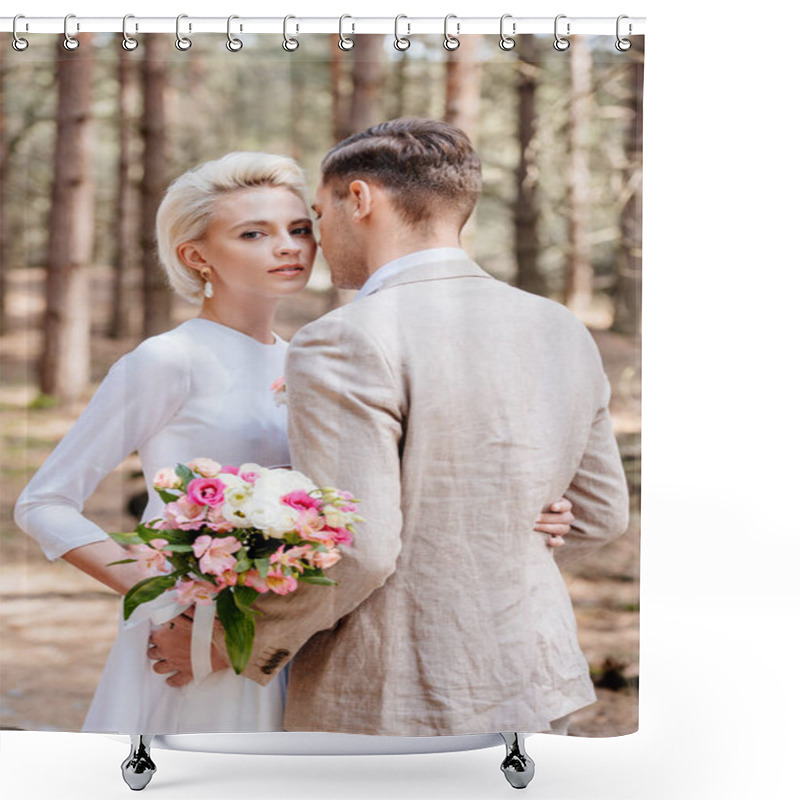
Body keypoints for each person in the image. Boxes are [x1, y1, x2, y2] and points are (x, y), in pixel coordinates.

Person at [14, 149, 572, 735]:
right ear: (196, 255)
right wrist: (167, 590)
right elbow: (43, 503)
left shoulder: (311, 357)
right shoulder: (167, 360)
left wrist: (534, 509)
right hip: (198, 632)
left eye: (300, 229)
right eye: (254, 233)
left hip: (301, 631)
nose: (289, 246)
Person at [216, 118, 629, 737]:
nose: (317, 239)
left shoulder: (344, 338)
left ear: (359, 200)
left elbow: (360, 548)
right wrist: (489, 549)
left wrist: (238, 640)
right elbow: (601, 515)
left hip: (393, 694)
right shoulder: (561, 326)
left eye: (319, 214)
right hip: (536, 678)